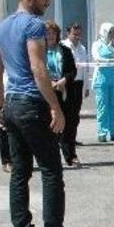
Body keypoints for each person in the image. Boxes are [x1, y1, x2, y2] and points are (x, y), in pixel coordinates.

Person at [0, 0, 86, 227]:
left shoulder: (1, 28)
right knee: (51, 170)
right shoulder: (33, 25)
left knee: (20, 172)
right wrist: (56, 108)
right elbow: (38, 68)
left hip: (12, 103)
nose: (47, 4)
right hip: (32, 104)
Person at [44, 21, 79, 166]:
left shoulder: (65, 50)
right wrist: (49, 82)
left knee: (68, 124)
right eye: (47, 34)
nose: (50, 36)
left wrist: (63, 80)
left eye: (52, 33)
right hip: (46, 91)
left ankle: (70, 155)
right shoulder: (38, 50)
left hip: (63, 90)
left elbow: (73, 71)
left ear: (57, 35)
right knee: (48, 125)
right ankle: (50, 157)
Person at [91, 23, 114, 142]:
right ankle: (102, 132)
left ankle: (113, 131)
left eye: (113, 32)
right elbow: (97, 58)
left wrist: (112, 48)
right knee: (102, 105)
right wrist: (112, 59)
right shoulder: (97, 44)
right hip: (102, 78)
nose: (112, 34)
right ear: (104, 32)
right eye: (109, 32)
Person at [61, 22, 88, 149]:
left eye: (78, 34)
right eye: (74, 33)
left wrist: (86, 87)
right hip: (67, 83)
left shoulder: (82, 48)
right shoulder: (63, 46)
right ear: (68, 33)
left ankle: (72, 138)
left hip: (79, 83)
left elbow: (86, 69)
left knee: (75, 113)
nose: (77, 36)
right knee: (66, 112)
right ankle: (62, 138)